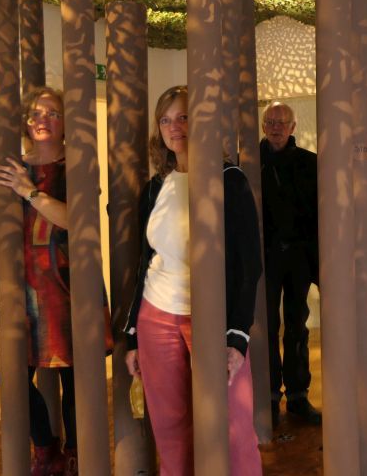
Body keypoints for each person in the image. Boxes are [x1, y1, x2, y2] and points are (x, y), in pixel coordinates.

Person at [123, 85, 263, 476]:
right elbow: (146, 261)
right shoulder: (157, 187)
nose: (174, 127)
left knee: (233, 426)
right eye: (166, 120)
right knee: (170, 427)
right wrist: (133, 333)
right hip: (157, 316)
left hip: (212, 321)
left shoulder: (229, 180)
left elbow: (248, 263)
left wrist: (236, 337)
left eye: (183, 117)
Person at [0, 86, 113, 476]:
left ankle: (74, 453)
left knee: (75, 377)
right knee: (12, 379)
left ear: (66, 122)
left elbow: (78, 221)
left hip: (70, 284)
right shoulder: (14, 166)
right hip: (25, 289)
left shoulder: (78, 166)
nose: (42, 119)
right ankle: (45, 447)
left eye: (52, 113)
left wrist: (29, 191)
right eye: (36, 113)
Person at [259, 102, 321, 427]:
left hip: (299, 259)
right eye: (270, 121)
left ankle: (298, 396)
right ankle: (268, 394)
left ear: (293, 127)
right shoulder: (249, 164)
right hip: (264, 261)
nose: (276, 127)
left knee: (297, 327)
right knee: (265, 328)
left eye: (282, 122)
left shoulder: (310, 164)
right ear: (263, 125)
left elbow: (319, 216)